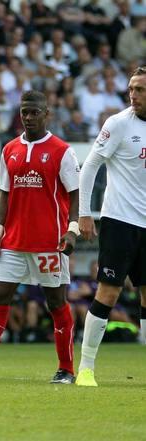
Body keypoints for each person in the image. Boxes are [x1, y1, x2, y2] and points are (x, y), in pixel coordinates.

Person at [0, 90, 81, 384]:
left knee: (56, 302)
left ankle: (66, 369)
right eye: (24, 113)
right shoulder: (9, 149)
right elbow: (4, 196)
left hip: (50, 242)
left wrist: (73, 232)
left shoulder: (62, 151)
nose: (29, 117)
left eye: (34, 112)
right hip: (13, 242)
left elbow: (74, 196)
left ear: (47, 114)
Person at [76, 66, 146, 387]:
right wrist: (85, 212)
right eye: (132, 88)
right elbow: (90, 165)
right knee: (109, 291)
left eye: (140, 89)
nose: (134, 95)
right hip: (120, 220)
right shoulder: (118, 124)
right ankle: (86, 368)